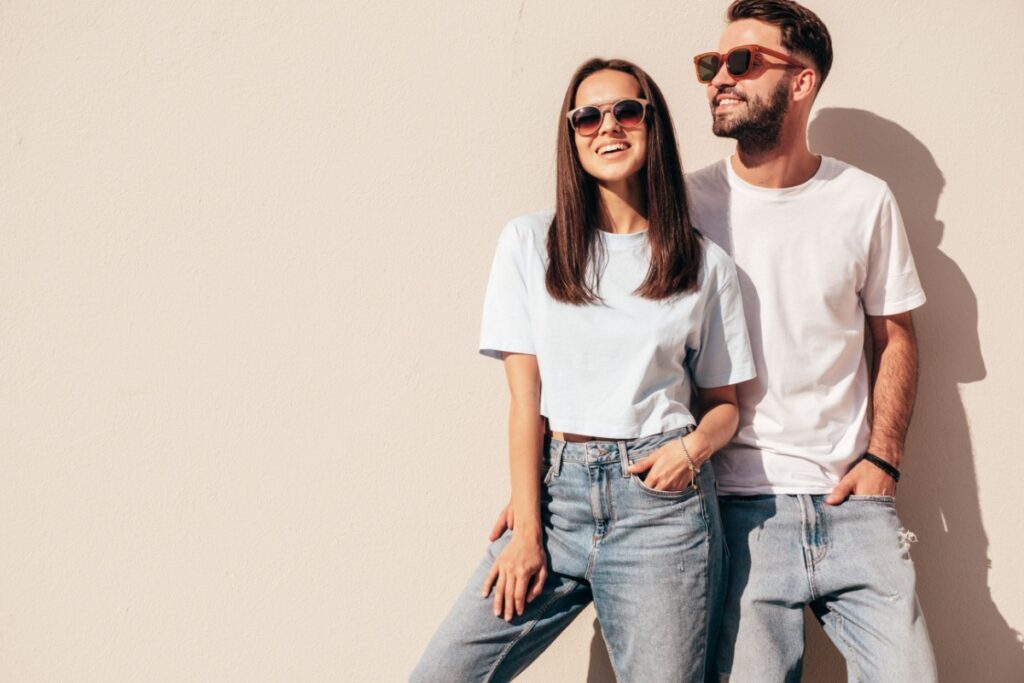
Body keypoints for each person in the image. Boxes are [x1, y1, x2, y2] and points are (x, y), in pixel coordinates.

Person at [410, 58, 755, 683]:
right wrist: (527, 523)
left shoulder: (705, 266)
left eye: (627, 111)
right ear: (571, 137)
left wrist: (691, 450)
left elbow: (725, 404)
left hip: (663, 512)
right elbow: (525, 403)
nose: (608, 127)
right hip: (557, 495)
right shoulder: (529, 243)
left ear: (653, 126)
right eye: (587, 117)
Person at [685, 1, 938, 680]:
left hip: (853, 505)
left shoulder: (863, 200)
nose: (719, 79)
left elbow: (897, 334)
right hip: (739, 510)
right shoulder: (686, 206)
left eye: (742, 62)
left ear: (801, 82)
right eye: (711, 65)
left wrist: (882, 461)